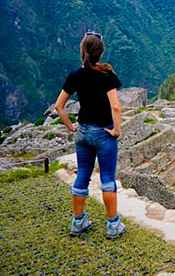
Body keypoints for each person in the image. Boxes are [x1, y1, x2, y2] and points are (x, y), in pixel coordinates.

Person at [54, 31, 125, 239]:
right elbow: (116, 107)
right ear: (100, 53)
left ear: (83, 51)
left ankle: (78, 222)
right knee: (107, 179)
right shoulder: (107, 76)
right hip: (103, 133)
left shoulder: (75, 76)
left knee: (83, 174)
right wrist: (117, 130)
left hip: (83, 132)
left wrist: (70, 127)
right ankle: (113, 225)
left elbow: (59, 106)